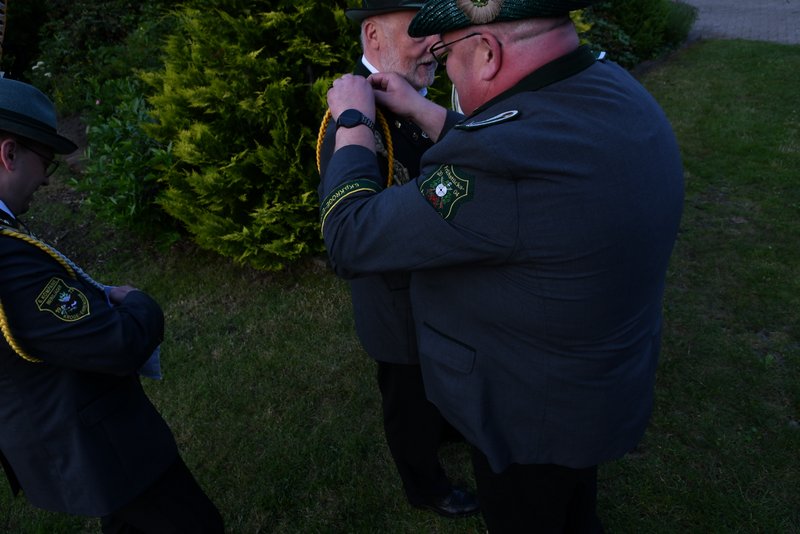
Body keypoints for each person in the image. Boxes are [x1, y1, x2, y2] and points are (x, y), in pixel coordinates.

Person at [319, 0, 685, 531]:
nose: (443, 65)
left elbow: (350, 235)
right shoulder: (610, 87)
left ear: (488, 52)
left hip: (528, 414)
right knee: (573, 507)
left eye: (448, 52)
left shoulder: (499, 161)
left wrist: (352, 119)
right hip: (593, 386)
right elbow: (512, 134)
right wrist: (424, 110)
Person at [0, 77, 224, 533]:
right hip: (96, 446)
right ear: (9, 154)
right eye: (46, 160)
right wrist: (140, 303)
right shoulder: (9, 261)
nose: (46, 178)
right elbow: (118, 343)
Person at [317, 0, 479, 519]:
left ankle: (448, 427)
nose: (436, 43)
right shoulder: (353, 121)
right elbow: (357, 229)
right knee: (408, 397)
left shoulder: (402, 99)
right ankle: (425, 485)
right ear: (374, 36)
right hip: (399, 304)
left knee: (438, 380)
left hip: (437, 288)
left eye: (439, 29)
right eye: (419, 31)